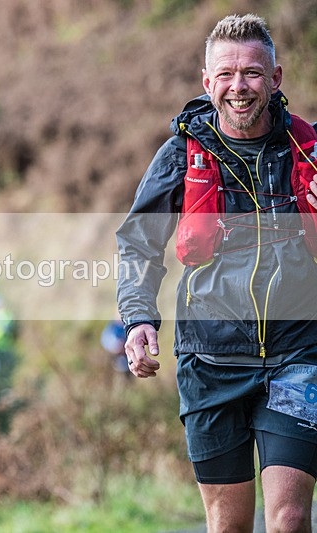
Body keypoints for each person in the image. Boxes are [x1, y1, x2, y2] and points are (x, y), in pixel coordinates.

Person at [117, 14, 317, 532]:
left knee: (289, 518)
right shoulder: (180, 155)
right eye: (225, 74)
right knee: (229, 525)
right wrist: (139, 319)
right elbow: (138, 243)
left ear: (275, 78)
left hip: (298, 353)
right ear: (207, 83)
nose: (239, 86)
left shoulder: (309, 152)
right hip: (210, 359)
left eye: (252, 73)